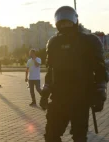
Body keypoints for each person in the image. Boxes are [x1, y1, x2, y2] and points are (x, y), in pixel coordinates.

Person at [40, 6, 107, 142]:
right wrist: (45, 93)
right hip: (59, 98)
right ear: (57, 24)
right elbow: (50, 71)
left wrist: (100, 94)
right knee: (51, 136)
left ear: (74, 22)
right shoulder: (54, 43)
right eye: (62, 23)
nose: (65, 25)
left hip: (80, 98)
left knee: (79, 137)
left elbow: (100, 70)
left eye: (68, 22)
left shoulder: (88, 41)